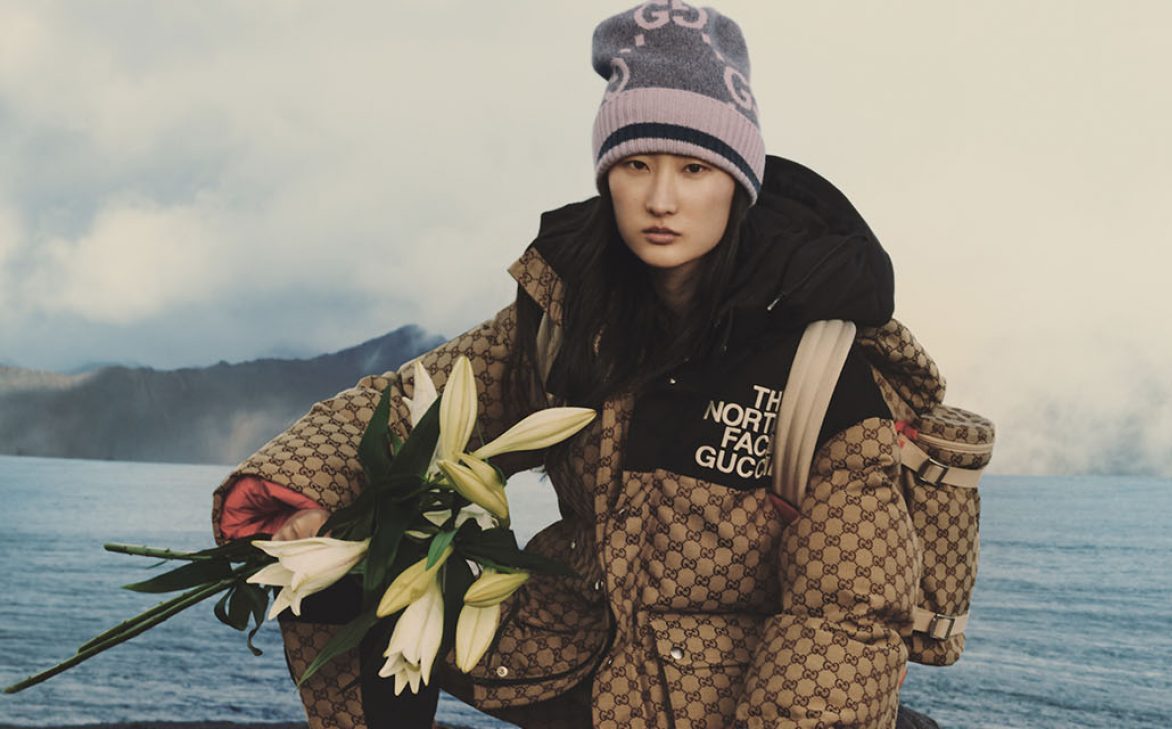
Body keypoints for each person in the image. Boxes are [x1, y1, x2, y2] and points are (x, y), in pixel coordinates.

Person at [212, 3, 947, 728]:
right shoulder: (570, 313)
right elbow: (416, 402)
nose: (661, 200)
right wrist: (292, 491)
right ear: (606, 176)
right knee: (325, 568)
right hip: (576, 644)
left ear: (738, 180)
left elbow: (846, 608)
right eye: (636, 164)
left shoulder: (819, 357)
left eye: (694, 168)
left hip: (728, 685)